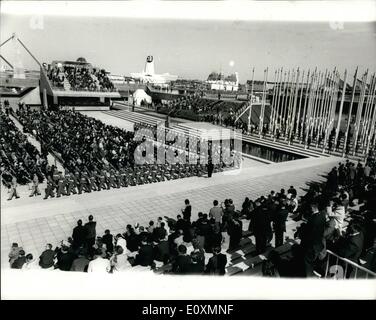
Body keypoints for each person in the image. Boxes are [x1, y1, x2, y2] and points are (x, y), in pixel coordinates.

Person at [300, 201, 326, 277]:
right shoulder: (322, 215)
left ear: (313, 208)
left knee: (307, 263)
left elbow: (309, 233)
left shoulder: (312, 219)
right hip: (318, 243)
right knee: (313, 261)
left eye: (311, 208)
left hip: (311, 246)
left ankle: (309, 277)